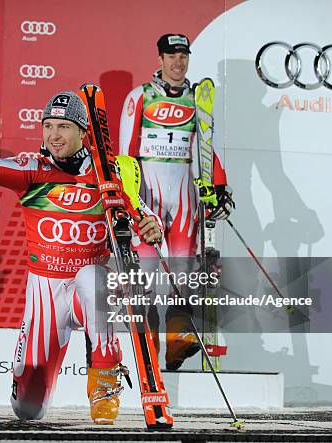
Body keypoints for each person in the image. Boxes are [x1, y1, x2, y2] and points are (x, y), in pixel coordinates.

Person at [0, 91, 163, 424]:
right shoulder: (33, 171)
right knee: (28, 408)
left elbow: (142, 220)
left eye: (64, 126)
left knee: (92, 277)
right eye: (48, 126)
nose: (54, 135)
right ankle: (32, 386)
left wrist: (152, 228)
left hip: (89, 289)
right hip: (45, 296)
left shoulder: (108, 176)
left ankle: (105, 381)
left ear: (83, 132)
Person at [119, 34, 234, 370]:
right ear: (160, 58)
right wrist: (130, 203)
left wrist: (220, 186)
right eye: (171, 55)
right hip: (148, 190)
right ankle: (147, 345)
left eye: (183, 55)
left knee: (182, 272)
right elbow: (126, 153)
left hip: (183, 188)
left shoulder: (198, 98)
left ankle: (176, 345)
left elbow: (206, 147)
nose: (178, 62)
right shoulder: (140, 96)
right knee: (149, 272)